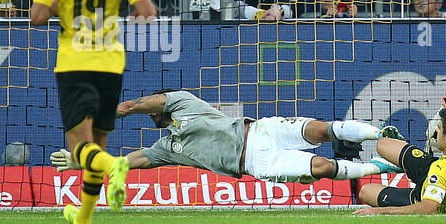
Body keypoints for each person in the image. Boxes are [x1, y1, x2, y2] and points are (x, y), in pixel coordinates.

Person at [29, 0, 157, 224]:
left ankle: (116, 166)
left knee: (80, 150)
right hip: (111, 64)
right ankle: (83, 220)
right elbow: (147, 11)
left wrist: (65, 7)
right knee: (96, 147)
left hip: (74, 63)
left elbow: (37, 17)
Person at [56, 89, 399, 185]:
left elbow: (132, 105)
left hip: (261, 128)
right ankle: (382, 167)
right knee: (322, 167)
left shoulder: (183, 100)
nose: (153, 111)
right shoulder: (166, 149)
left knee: (322, 129)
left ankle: (380, 133)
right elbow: (124, 163)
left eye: (154, 106)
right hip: (257, 162)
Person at [352, 97, 446, 215]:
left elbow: (428, 208)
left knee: (365, 191)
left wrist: (379, 211)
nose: (436, 131)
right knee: (382, 144)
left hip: (421, 196)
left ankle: (404, 169)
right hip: (432, 167)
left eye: (439, 128)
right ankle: (400, 166)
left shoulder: (443, 170)